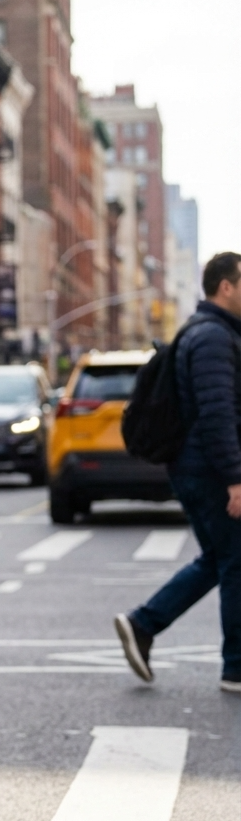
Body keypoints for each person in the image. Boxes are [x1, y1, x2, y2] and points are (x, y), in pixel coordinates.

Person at [116, 251, 241, 692]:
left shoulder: (210, 332)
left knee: (220, 558)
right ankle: (235, 667)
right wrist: (235, 478)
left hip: (197, 466)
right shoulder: (211, 338)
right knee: (235, 561)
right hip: (205, 469)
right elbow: (217, 412)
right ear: (226, 286)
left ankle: (144, 625)